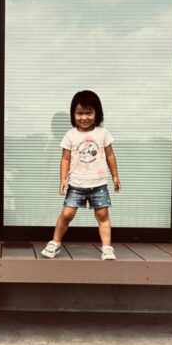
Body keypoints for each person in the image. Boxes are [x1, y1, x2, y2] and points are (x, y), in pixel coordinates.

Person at [41, 89, 121, 261]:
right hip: (76, 184)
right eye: (79, 113)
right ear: (73, 114)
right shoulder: (71, 135)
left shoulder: (103, 133)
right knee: (67, 214)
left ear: (97, 113)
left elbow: (110, 156)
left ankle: (107, 247)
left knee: (102, 215)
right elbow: (65, 159)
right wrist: (63, 179)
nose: (84, 117)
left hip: (99, 184)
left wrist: (115, 176)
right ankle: (55, 242)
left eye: (88, 113)